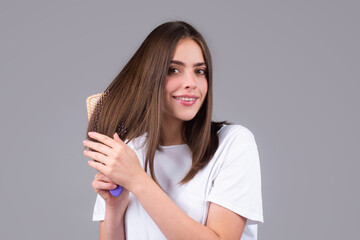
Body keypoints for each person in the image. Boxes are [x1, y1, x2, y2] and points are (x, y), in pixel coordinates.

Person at [83, 21, 263, 240]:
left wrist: (138, 180)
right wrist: (114, 208)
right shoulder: (127, 152)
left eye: (200, 71)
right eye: (174, 70)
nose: (191, 82)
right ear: (150, 77)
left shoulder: (233, 144)